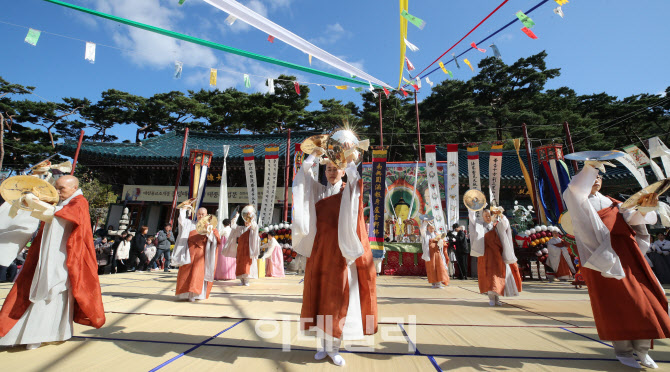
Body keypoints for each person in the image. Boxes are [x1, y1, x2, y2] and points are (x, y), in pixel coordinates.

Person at [563, 162, 670, 369]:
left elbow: (634, 218)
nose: (597, 179)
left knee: (644, 301)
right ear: (583, 180)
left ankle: (643, 349)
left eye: (600, 177)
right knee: (616, 305)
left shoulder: (614, 203)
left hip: (628, 255)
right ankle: (623, 351)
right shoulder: (578, 201)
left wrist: (644, 208)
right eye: (592, 176)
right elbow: (575, 189)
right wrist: (591, 166)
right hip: (602, 259)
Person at [293, 145, 378, 367]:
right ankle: (322, 346)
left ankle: (334, 348)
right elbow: (303, 172)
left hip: (340, 252)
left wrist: (347, 156)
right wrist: (315, 152)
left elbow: (355, 178)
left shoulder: (347, 190)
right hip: (320, 251)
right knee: (319, 296)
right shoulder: (319, 191)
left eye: (335, 168)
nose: (331, 172)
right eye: (328, 169)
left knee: (337, 298)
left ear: (341, 171)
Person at [0, 175, 105, 349]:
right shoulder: (62, 202)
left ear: (74, 188)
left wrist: (37, 204)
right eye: (56, 187)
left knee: (53, 291)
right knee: (41, 291)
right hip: (50, 255)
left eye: (61, 188)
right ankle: (42, 333)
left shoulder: (79, 202)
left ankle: (44, 333)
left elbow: (60, 216)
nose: (57, 192)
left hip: (64, 258)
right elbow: (52, 213)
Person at [469, 207, 522, 306]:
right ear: (483, 216)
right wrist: (471, 207)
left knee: (498, 276)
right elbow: (472, 219)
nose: (488, 217)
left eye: (489, 215)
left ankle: (497, 297)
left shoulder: (497, 225)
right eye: (485, 215)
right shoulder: (480, 226)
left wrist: (501, 214)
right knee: (488, 276)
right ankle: (491, 298)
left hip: (497, 255)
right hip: (485, 255)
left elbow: (505, 224)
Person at [174, 206, 221, 301]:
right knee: (185, 273)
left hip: (201, 254)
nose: (200, 216)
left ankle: (194, 294)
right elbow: (181, 221)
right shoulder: (190, 224)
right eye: (199, 214)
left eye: (203, 214)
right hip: (188, 252)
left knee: (197, 273)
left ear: (207, 215)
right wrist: (183, 210)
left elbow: (216, 240)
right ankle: (185, 293)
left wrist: (209, 232)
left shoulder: (211, 227)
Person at [223, 206, 260, 286]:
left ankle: (246, 280)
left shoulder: (253, 228)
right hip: (240, 249)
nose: (246, 222)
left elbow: (255, 226)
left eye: (248, 221)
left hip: (248, 250)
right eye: (245, 220)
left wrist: (251, 216)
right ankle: (241, 280)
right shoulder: (240, 228)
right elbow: (233, 225)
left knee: (247, 264)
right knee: (240, 264)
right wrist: (237, 216)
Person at [420, 219, 449, 288]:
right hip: (429, 254)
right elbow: (422, 229)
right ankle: (433, 282)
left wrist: (440, 241)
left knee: (439, 267)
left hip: (437, 253)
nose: (431, 229)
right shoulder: (425, 235)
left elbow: (443, 242)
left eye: (433, 228)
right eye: (430, 228)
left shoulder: (437, 235)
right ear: (427, 228)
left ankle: (438, 283)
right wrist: (425, 223)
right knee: (431, 268)